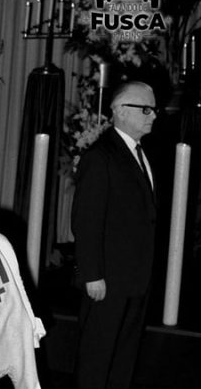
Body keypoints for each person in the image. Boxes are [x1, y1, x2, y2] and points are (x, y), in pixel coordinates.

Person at [72, 81, 158, 389]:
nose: (153, 116)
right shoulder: (101, 156)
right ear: (120, 111)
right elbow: (86, 220)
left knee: (123, 359)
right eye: (146, 109)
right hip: (107, 280)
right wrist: (92, 274)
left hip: (134, 278)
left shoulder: (139, 154)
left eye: (154, 109)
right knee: (97, 358)